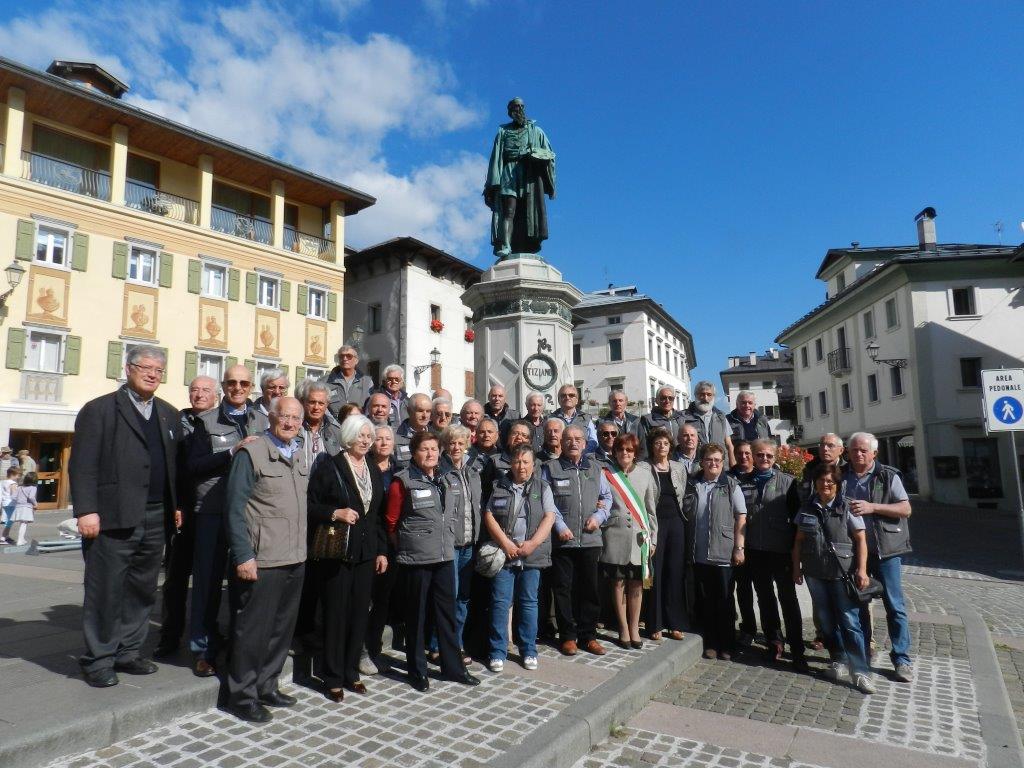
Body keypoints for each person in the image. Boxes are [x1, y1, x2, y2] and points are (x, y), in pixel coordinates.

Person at [70, 345, 182, 688]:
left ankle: (128, 652)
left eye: (158, 370)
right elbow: (83, 464)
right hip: (112, 515)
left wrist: (174, 504)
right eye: (145, 367)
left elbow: (171, 465)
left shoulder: (168, 413)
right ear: (128, 368)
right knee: (105, 588)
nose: (152, 374)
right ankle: (99, 659)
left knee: (142, 589)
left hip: (155, 515)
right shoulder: (99, 410)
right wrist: (86, 510)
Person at [224, 397, 310, 722]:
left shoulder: (299, 454)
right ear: (270, 418)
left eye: (294, 418)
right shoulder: (252, 453)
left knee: (280, 630)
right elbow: (234, 508)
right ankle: (242, 695)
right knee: (253, 630)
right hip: (262, 559)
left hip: (294, 557)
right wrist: (243, 555)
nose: (289, 422)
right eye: (283, 416)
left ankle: (267, 685)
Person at [185, 364, 267, 677]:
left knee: (244, 583)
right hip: (213, 511)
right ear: (224, 386)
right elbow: (192, 466)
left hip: (250, 513)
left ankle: (239, 644)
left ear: (251, 387)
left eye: (244, 383)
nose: (237, 387)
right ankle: (203, 649)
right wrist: (230, 452)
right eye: (231, 382)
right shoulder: (205, 422)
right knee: (206, 583)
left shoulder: (261, 420)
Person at [384, 432, 480, 691]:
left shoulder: (444, 478)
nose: (430, 454)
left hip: (445, 556)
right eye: (424, 449)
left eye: (434, 449)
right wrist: (410, 545)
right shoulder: (402, 482)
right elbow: (391, 522)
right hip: (416, 559)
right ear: (414, 453)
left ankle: (453, 668)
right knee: (416, 617)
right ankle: (418, 671)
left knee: (446, 615)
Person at [307, 415, 388, 702]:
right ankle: (332, 677)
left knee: (357, 615)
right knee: (336, 614)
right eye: (361, 435)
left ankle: (351, 672)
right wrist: (335, 513)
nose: (366, 441)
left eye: (370, 436)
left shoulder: (373, 469)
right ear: (349, 436)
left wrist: (381, 550)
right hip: (338, 552)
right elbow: (311, 505)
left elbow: (376, 515)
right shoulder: (330, 466)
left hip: (365, 554)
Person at [793, 463, 874, 694]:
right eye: (821, 481)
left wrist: (862, 569)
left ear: (837, 484)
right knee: (826, 621)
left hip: (842, 573)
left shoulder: (847, 506)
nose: (825, 485)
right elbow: (798, 540)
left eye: (830, 481)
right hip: (815, 573)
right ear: (816, 483)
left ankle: (860, 671)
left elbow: (860, 540)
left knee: (850, 621)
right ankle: (838, 659)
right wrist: (796, 568)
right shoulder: (807, 507)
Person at [154, 375, 218, 658]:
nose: (199, 394)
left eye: (205, 390)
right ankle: (170, 636)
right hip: (182, 512)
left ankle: (207, 636)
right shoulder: (176, 421)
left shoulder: (223, 423)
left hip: (212, 510)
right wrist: (176, 504)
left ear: (215, 395)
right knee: (175, 579)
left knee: (209, 580)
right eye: (194, 390)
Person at [843, 432, 914, 683]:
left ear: (874, 453)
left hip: (887, 551)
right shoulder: (842, 476)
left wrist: (873, 507)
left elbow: (905, 508)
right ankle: (864, 651)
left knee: (894, 605)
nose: (858, 454)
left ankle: (902, 659)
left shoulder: (888, 475)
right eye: (854, 450)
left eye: (863, 450)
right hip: (854, 552)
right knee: (859, 603)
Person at [483, 444, 557, 671]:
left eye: (526, 462)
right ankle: (498, 650)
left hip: (530, 556)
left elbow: (549, 517)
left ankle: (528, 650)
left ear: (533, 465)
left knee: (528, 603)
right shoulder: (498, 486)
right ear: (510, 464)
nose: (521, 466)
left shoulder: (542, 486)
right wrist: (505, 543)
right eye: (517, 461)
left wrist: (532, 544)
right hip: (504, 556)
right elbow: (489, 516)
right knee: (500, 602)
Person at [543, 426, 611, 656]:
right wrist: (559, 526)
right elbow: (547, 501)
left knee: (590, 589)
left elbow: (606, 496)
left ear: (584, 443)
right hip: (563, 541)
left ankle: (588, 636)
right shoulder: (551, 469)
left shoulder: (595, 468)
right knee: (563, 589)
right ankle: (568, 636)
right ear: (561, 442)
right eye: (568, 439)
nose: (573, 443)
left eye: (578, 439)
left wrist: (599, 516)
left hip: (591, 539)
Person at [744, 439, 806, 672]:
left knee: (788, 599)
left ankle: (797, 648)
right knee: (765, 599)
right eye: (760, 455)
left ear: (775, 457)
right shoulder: (744, 482)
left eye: (769, 456)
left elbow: (797, 520)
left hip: (781, 551)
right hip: (756, 551)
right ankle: (774, 641)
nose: (764, 459)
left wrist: (796, 553)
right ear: (752, 456)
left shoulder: (788, 483)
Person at [682, 443, 746, 660]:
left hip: (723, 552)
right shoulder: (692, 483)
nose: (713, 463)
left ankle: (727, 643)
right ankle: (710, 642)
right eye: (709, 459)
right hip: (698, 553)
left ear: (723, 462)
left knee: (725, 600)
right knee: (705, 601)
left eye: (717, 460)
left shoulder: (730, 485)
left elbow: (741, 516)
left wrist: (739, 547)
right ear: (702, 461)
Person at [600, 433, 659, 648]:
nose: (625, 453)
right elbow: (601, 501)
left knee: (636, 584)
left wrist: (653, 539)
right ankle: (623, 628)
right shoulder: (606, 474)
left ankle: (635, 627)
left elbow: (651, 510)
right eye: (621, 450)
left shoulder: (645, 474)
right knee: (618, 583)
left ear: (635, 453)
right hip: (614, 536)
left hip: (639, 539)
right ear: (614, 452)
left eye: (629, 450)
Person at [436, 425, 486, 661]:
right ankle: (438, 646)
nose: (456, 447)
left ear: (467, 443)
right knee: (448, 595)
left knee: (463, 597)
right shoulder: (439, 470)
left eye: (460, 443)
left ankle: (456, 643)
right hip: (449, 544)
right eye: (451, 443)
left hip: (470, 542)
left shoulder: (475, 468)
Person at [484, 97, 556, 258]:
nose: (519, 110)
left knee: (527, 209)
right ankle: (507, 245)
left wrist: (535, 155)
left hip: (529, 174)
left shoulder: (536, 131)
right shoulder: (503, 132)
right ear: (510, 112)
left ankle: (526, 243)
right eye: (516, 107)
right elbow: (495, 158)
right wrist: (490, 184)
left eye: (522, 107)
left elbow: (550, 155)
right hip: (509, 172)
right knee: (509, 210)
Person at [645, 428, 690, 642]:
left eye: (665, 443)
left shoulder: (679, 467)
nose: (661, 446)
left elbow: (685, 495)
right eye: (657, 443)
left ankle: (675, 623)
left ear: (670, 446)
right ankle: (655, 623)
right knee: (655, 573)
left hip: (676, 523)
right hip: (655, 524)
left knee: (674, 572)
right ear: (652, 446)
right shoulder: (644, 467)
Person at [364, 424, 400, 673]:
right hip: (371, 542)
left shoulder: (399, 471)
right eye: (379, 439)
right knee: (366, 599)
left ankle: (373, 645)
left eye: (388, 439)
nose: (383, 443)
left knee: (383, 600)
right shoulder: (364, 468)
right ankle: (361, 649)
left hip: (394, 543)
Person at [730, 440, 758, 647]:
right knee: (742, 589)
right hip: (736, 540)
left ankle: (772, 632)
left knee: (764, 590)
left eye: (747, 453)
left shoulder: (761, 475)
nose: (744, 457)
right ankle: (747, 628)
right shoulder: (729, 476)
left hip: (758, 540)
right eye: (740, 453)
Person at [681, 382, 734, 466]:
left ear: (713, 396)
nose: (705, 398)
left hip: (720, 467)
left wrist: (733, 467)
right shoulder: (684, 418)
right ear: (695, 395)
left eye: (709, 394)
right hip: (696, 468)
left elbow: (729, 445)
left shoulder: (721, 417)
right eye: (702, 394)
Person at [297, 379, 342, 466]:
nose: (316, 407)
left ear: (327, 404)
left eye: (321, 403)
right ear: (304, 402)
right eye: (312, 402)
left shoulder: (336, 432)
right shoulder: (293, 428)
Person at [325, 345, 375, 420]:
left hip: (358, 427)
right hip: (333, 428)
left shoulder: (367, 383)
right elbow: (323, 409)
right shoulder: (325, 382)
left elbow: (369, 408)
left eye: (349, 356)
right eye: (341, 356)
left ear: (356, 360)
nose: (345, 359)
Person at [637, 386, 686, 459]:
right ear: (656, 400)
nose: (667, 401)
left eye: (670, 398)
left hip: (679, 461)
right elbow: (643, 447)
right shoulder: (647, 420)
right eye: (663, 398)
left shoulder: (681, 418)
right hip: (657, 462)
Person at [800, 433, 846, 502]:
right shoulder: (809, 469)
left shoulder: (847, 469)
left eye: (830, 445)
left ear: (841, 450)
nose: (825, 449)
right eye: (822, 445)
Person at [394, 393, 432, 469]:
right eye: (420, 411)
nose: (425, 416)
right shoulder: (394, 437)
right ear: (409, 411)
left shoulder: (435, 436)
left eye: (428, 411)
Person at [7, 471, 37, 546]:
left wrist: (20, 500)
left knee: (22, 523)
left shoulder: (20, 487)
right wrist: (35, 504)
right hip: (26, 507)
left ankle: (22, 539)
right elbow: (31, 497)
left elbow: (13, 497)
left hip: (18, 507)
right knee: (24, 523)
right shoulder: (33, 488)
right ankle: (20, 540)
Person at [0, 467, 19, 540]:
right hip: (11, 503)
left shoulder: (3, 482)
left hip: (4, 503)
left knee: (8, 520)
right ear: (12, 474)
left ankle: (6, 535)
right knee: (10, 521)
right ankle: (3, 537)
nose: (18, 477)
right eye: (17, 475)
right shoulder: (13, 483)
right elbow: (14, 495)